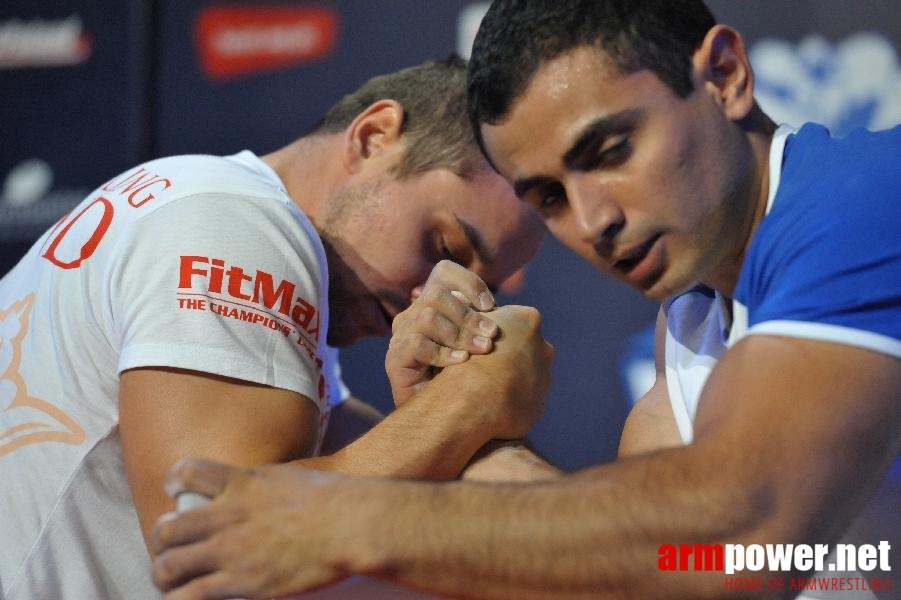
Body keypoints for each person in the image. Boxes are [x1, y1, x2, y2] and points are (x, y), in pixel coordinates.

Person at [151, 1, 901, 598]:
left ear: (726, 75)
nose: (595, 221)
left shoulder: (866, 198)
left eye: (610, 152)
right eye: (549, 196)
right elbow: (644, 568)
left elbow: (740, 537)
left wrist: (349, 518)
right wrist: (467, 429)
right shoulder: (694, 318)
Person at [0, 55, 551, 599]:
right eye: (445, 247)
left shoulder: (219, 211)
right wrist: (471, 400)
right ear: (375, 136)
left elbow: (390, 473)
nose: (434, 296)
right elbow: (210, 544)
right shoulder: (239, 221)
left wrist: (452, 409)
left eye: (479, 290)